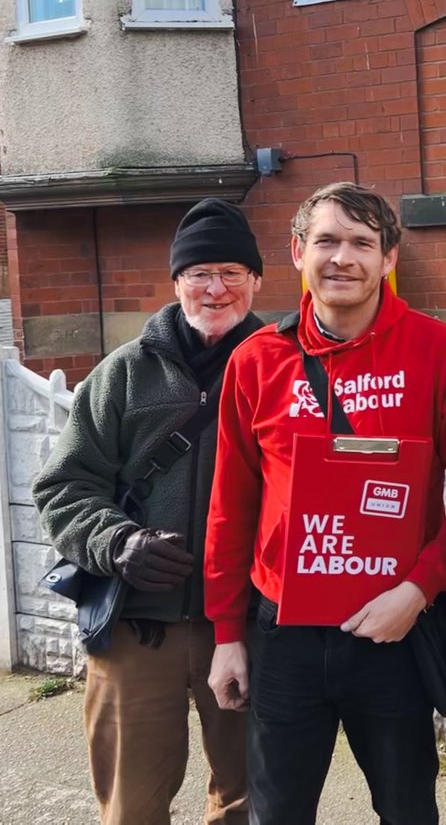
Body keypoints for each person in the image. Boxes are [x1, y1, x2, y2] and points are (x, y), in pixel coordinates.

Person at [203, 182, 446, 825]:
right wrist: (226, 635)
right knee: (276, 813)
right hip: (282, 631)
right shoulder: (256, 360)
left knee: (408, 809)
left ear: (389, 259)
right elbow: (231, 503)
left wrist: (418, 591)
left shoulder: (439, 353)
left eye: (362, 242)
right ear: (298, 251)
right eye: (326, 240)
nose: (342, 257)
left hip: (393, 627)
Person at [34, 198, 264, 824]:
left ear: (257, 281)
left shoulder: (285, 369)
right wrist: (118, 543)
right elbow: (62, 487)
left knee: (252, 801)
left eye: (232, 273)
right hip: (136, 629)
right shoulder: (123, 376)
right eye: (199, 273)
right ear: (176, 282)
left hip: (247, 626)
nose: (215, 289)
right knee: (130, 805)